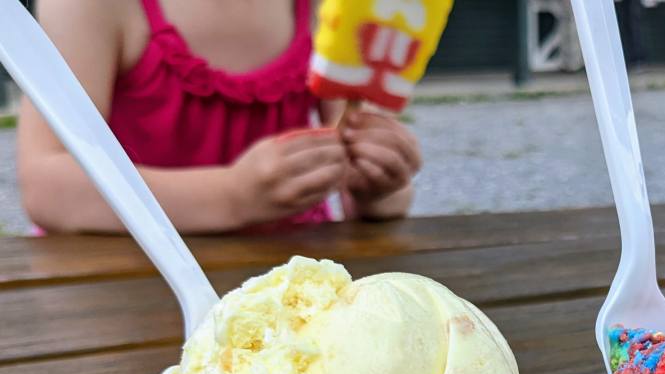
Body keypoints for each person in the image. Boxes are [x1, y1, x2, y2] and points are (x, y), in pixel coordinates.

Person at [17, 0, 422, 234]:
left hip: (290, 288)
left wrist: (380, 183)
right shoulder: (95, 7)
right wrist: (231, 196)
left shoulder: (327, 8)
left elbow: (363, 185)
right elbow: (47, 185)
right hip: (123, 281)